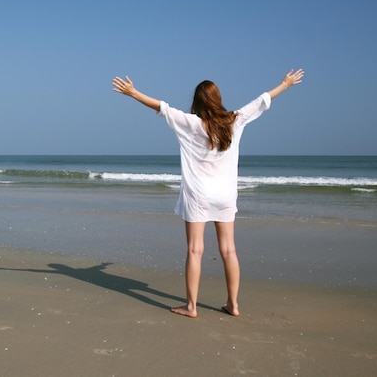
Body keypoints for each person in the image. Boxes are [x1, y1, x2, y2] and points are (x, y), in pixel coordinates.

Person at [112, 69, 305, 318]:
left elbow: (161, 107)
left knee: (195, 250)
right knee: (229, 250)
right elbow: (262, 100)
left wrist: (133, 93)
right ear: (218, 98)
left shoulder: (191, 123)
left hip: (198, 195)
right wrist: (285, 84)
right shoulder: (234, 120)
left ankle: (192, 307)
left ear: (197, 101)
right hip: (225, 195)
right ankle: (233, 304)